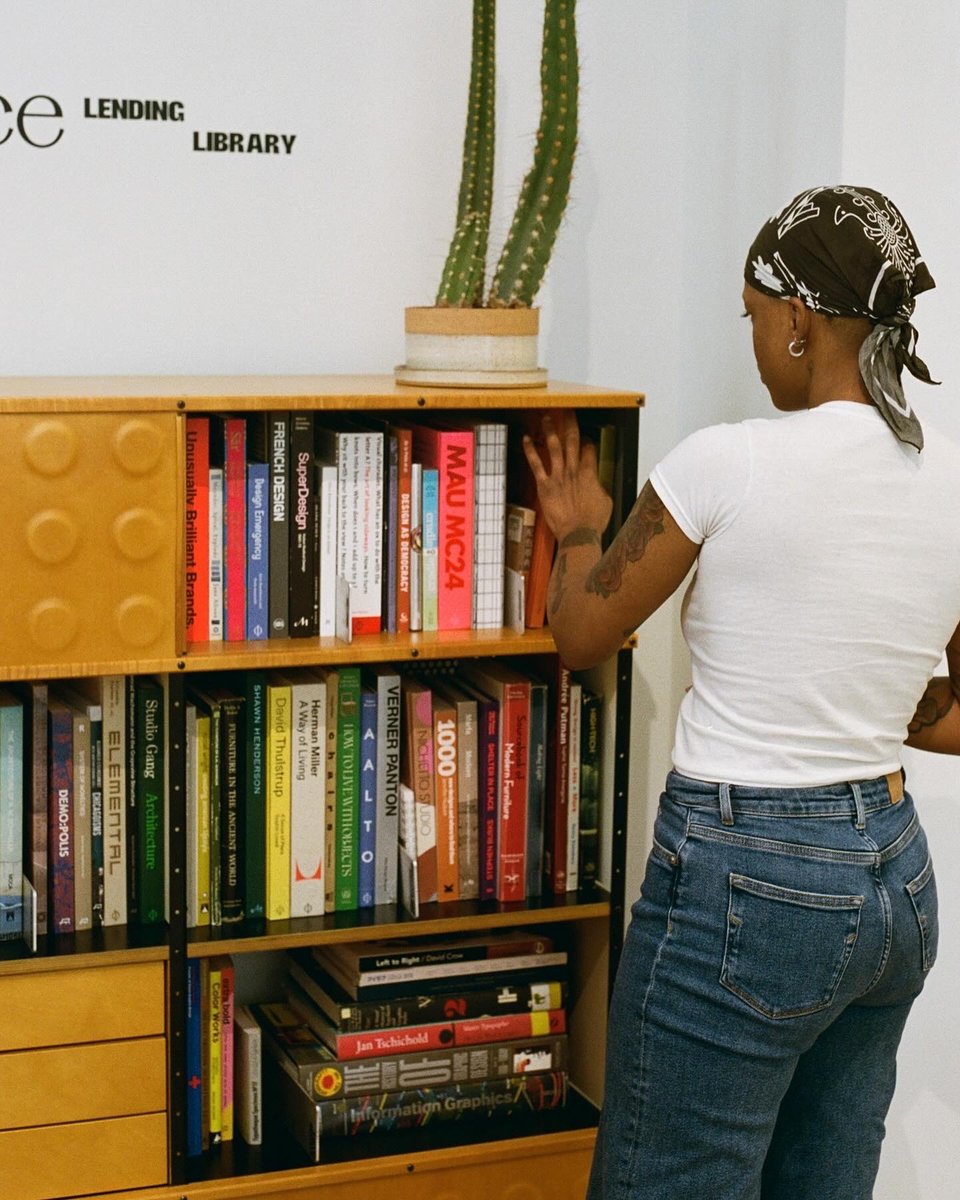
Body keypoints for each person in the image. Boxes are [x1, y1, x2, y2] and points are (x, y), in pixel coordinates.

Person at [523, 184, 960, 1200]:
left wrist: (580, 528)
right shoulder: (948, 481)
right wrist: (856, 693)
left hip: (747, 885)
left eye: (755, 315)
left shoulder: (727, 462)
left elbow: (581, 634)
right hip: (894, 884)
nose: (757, 340)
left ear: (799, 318)